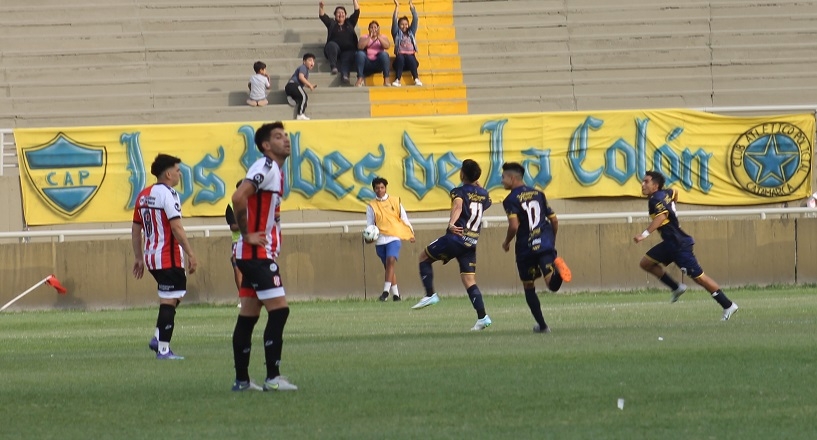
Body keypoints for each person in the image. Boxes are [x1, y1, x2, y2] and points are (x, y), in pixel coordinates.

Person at [230, 121, 298, 392]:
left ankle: (242, 381)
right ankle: (273, 378)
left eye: (286, 136)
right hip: (256, 253)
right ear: (266, 146)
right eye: (278, 137)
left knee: (248, 316)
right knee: (280, 311)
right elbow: (238, 197)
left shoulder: (274, 170)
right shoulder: (266, 167)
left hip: (252, 253)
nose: (286, 140)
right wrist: (247, 234)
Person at [633, 171, 739, 321]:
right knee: (646, 263)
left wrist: (643, 234)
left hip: (679, 245)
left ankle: (728, 305)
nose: (642, 184)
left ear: (655, 186)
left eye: (646, 182)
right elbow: (675, 192)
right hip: (670, 243)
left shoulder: (655, 199)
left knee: (700, 278)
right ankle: (676, 287)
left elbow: (661, 216)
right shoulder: (666, 193)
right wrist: (673, 207)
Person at [412, 159, 493, 331]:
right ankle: (482, 317)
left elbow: (458, 206)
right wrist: (477, 185)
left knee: (424, 257)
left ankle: (430, 294)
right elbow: (487, 201)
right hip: (471, 242)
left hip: (456, 238)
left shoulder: (458, 191)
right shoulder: (484, 195)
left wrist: (451, 223)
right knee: (469, 280)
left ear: (462, 174)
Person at [131, 154, 198, 360]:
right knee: (169, 300)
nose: (180, 174)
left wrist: (138, 257)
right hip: (168, 256)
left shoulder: (143, 195)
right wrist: (191, 253)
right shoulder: (168, 194)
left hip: (151, 257)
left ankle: (158, 337)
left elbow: (136, 229)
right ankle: (163, 349)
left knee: (176, 295)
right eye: (177, 171)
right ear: (168, 174)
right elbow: (176, 227)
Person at [500, 162, 572, 333]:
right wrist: (551, 240)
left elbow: (514, 226)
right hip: (544, 243)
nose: (501, 181)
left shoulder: (510, 199)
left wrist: (506, 242)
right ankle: (559, 272)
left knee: (528, 286)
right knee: (552, 285)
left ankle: (543, 326)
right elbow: (554, 220)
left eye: (503, 177)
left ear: (512, 178)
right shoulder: (539, 194)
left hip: (525, 247)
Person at [366, 177, 415, 302]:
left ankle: (385, 292)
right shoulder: (371, 206)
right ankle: (396, 295)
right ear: (374, 189)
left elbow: (404, 218)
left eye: (382, 187)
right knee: (388, 267)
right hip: (380, 240)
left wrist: (410, 233)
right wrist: (369, 237)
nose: (380, 190)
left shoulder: (395, 201)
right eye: (377, 188)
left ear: (386, 188)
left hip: (394, 237)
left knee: (391, 260)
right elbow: (370, 225)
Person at [319, 0, 360, 85]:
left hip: (348, 50)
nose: (340, 14)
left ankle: (345, 75)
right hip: (335, 48)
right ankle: (333, 66)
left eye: (342, 12)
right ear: (335, 15)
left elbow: (357, 12)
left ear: (345, 15)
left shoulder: (350, 22)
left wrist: (354, 1)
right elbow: (322, 16)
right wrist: (321, 7)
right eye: (338, 13)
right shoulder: (332, 23)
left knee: (347, 57)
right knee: (331, 45)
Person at [390, 0, 422, 87]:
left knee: (410, 57)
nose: (404, 26)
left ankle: (416, 78)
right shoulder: (396, 33)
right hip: (400, 61)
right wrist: (397, 7)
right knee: (401, 57)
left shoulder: (411, 32)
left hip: (410, 60)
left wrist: (411, 6)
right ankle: (397, 79)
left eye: (406, 24)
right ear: (398, 26)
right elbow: (394, 20)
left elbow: (415, 19)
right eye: (402, 24)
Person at [355, 20, 391, 87]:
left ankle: (386, 79)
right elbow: (360, 47)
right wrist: (369, 37)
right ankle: (360, 78)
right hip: (367, 62)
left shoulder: (383, 37)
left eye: (375, 27)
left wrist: (378, 36)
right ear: (368, 29)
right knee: (360, 54)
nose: (373, 29)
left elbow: (387, 46)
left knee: (384, 54)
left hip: (378, 62)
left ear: (378, 29)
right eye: (371, 27)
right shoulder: (364, 37)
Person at [285, 53, 317, 120]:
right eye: (310, 60)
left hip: (289, 86)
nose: (312, 63)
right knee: (304, 97)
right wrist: (310, 85)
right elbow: (301, 77)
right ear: (304, 62)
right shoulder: (303, 67)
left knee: (299, 97)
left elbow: (302, 82)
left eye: (313, 61)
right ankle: (300, 114)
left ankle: (291, 97)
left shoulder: (305, 70)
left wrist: (309, 86)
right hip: (294, 85)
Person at [225, 180, 243, 295]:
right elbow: (233, 227)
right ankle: (243, 297)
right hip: (238, 242)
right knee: (237, 270)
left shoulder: (256, 204)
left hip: (254, 241)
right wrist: (246, 224)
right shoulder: (231, 206)